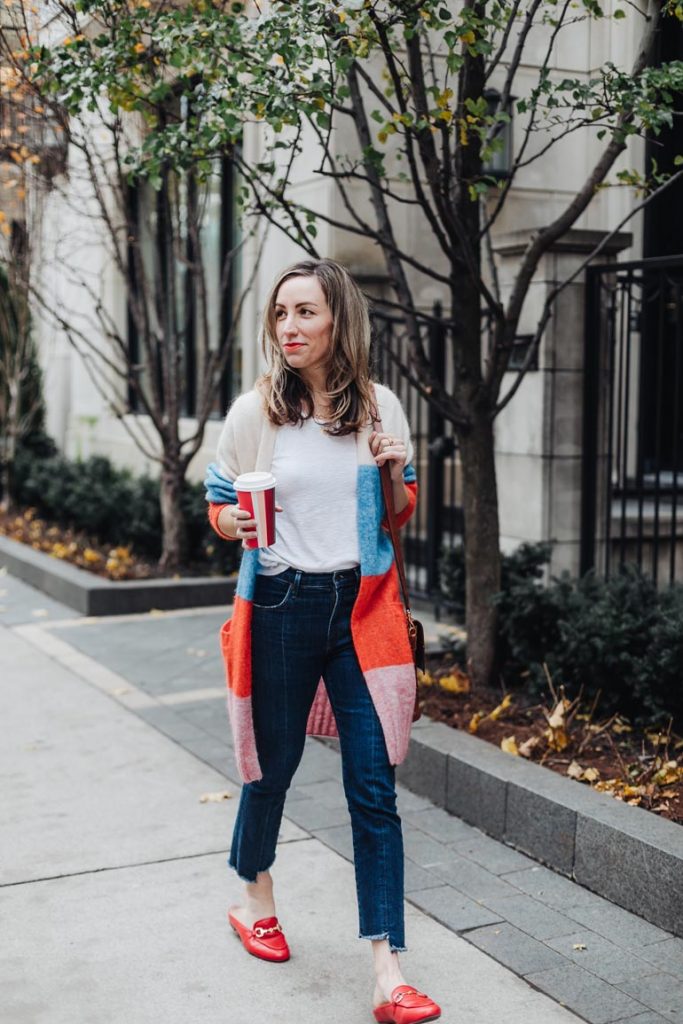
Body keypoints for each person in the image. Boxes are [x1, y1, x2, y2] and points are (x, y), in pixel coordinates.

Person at [205, 258, 440, 1024]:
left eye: (305, 312)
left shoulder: (381, 408)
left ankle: (387, 970)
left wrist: (397, 474)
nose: (290, 329)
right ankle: (253, 894)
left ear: (338, 318)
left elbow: (395, 516)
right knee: (271, 768)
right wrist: (229, 522)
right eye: (280, 314)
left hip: (360, 611)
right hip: (278, 602)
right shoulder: (256, 413)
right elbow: (218, 498)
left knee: (372, 787)